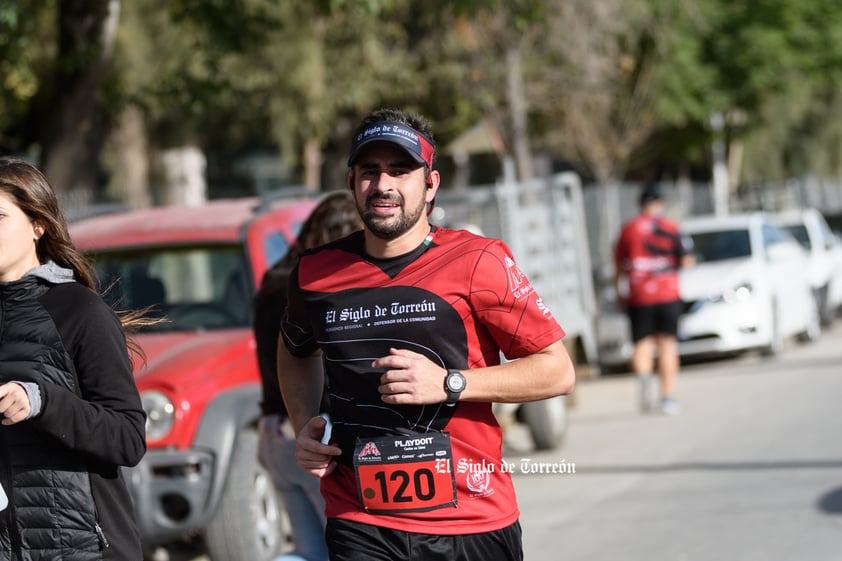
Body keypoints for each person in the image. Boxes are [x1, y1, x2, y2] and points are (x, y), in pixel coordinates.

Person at [277, 108, 576, 561]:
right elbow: (294, 350)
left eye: (400, 171)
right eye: (369, 172)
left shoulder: (479, 260)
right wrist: (306, 426)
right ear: (352, 180)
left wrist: (450, 383)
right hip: (361, 519)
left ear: (430, 184)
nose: (383, 186)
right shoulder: (315, 274)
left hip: (471, 519)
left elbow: (557, 371)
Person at [0, 157, 147, 560]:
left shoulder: (79, 311)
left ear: (37, 226)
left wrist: (42, 402)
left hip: (81, 547)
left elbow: (128, 439)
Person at [254, 191, 362, 561]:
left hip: (272, 431)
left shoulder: (273, 280)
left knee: (308, 551)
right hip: (316, 433)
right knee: (343, 548)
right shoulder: (319, 288)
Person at [613, 182, 695, 415]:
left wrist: (619, 290)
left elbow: (618, 264)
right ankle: (667, 398)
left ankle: (644, 380)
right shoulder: (671, 227)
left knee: (642, 344)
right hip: (668, 294)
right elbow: (687, 261)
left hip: (639, 296)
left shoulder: (628, 230)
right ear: (661, 204)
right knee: (667, 345)